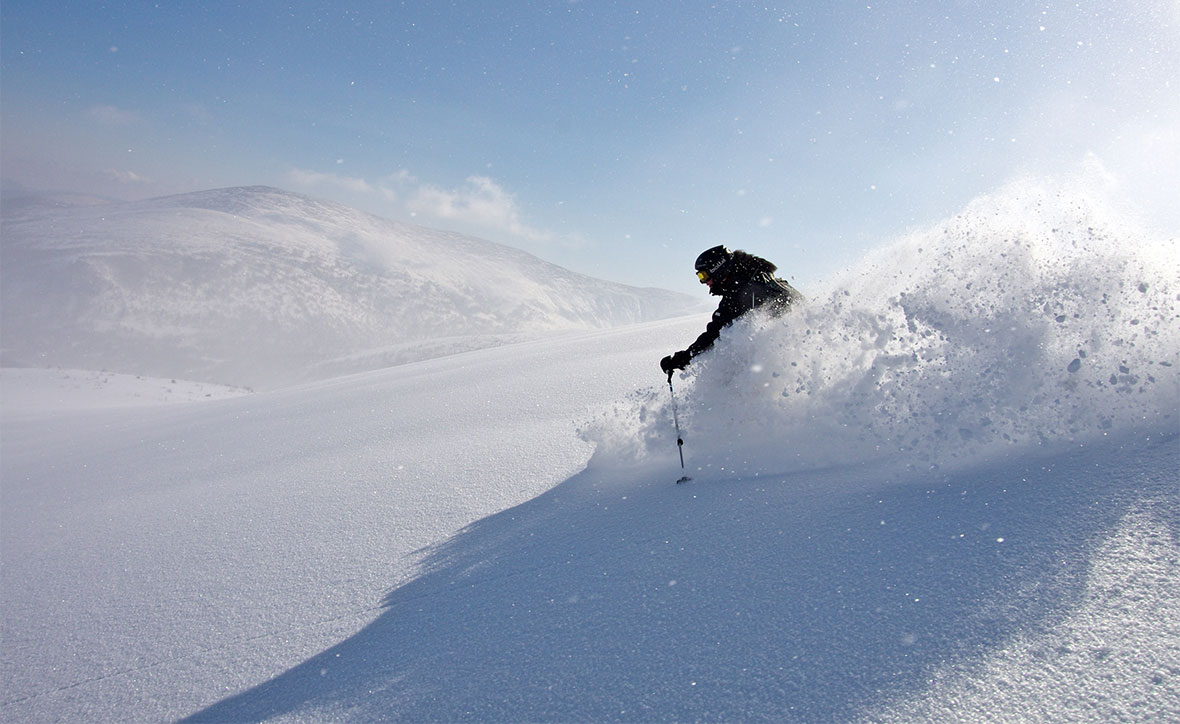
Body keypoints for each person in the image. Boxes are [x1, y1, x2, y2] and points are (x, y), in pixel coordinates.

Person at [660, 245, 803, 375]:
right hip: (794, 353)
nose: (703, 282)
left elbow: (715, 333)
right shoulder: (762, 279)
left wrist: (684, 357)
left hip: (781, 361)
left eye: (703, 275)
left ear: (718, 269)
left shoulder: (743, 292)